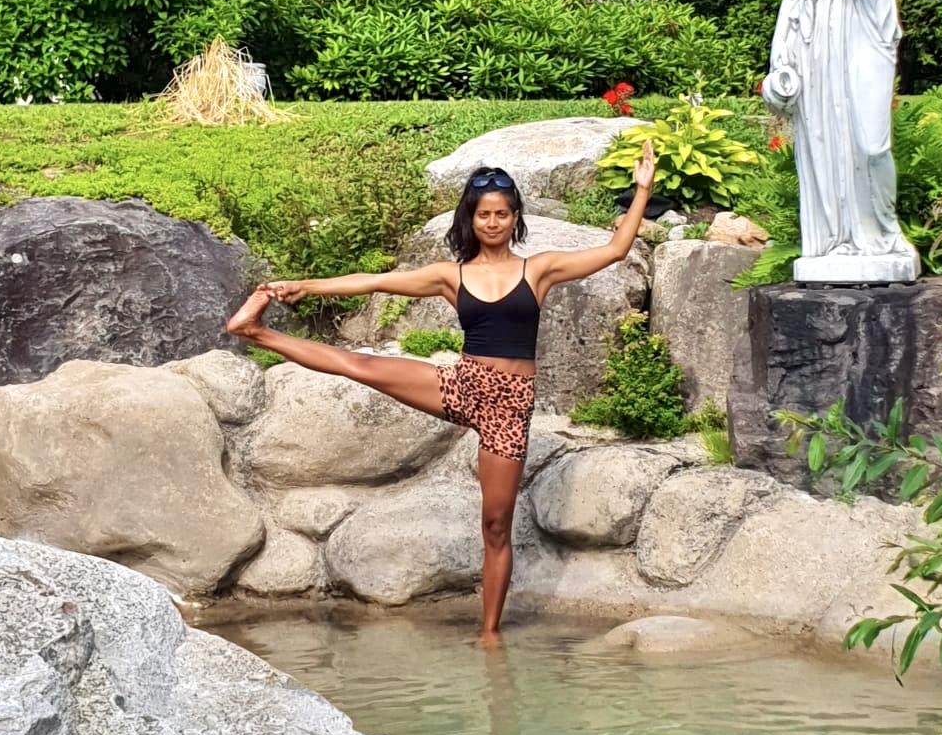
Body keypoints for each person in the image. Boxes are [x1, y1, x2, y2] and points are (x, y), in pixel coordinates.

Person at [225, 137, 658, 641]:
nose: (492, 223)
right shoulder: (449, 276)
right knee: (358, 365)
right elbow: (374, 282)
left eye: (500, 214)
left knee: (496, 524)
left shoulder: (537, 270)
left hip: (509, 407)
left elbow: (615, 249)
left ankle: (490, 633)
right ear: (470, 220)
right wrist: (307, 285)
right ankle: (254, 331)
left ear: (514, 217)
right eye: (483, 215)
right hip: (463, 383)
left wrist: (642, 190)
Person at [764, 0, 921, 282]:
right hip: (821, 26)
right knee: (825, 133)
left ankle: (886, 234)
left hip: (869, 23)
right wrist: (782, 53)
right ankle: (835, 241)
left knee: (873, 141)